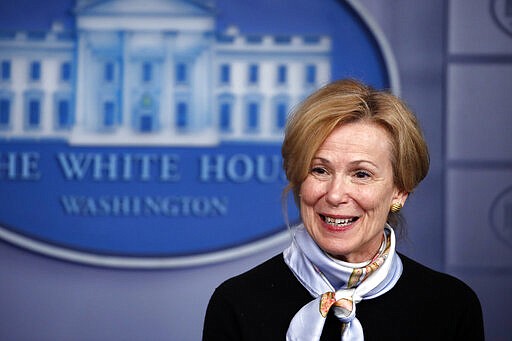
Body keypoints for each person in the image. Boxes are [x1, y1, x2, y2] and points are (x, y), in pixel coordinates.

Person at [202, 79, 484, 340]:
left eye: (361, 174)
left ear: (399, 191)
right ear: (298, 180)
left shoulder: (451, 306)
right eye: (320, 170)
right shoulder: (236, 303)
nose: (335, 195)